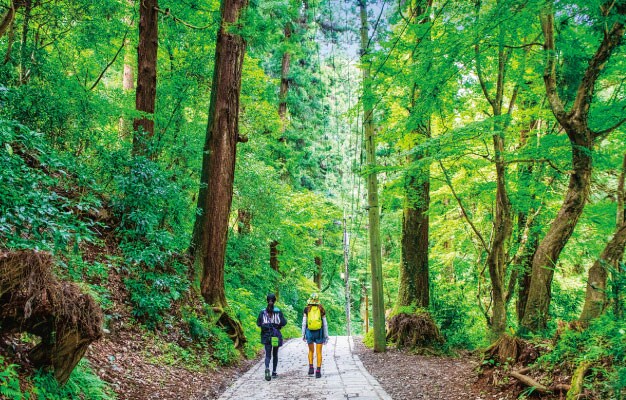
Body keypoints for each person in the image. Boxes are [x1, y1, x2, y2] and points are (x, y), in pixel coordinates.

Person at [257, 293, 287, 381]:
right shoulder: (278, 311)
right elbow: (284, 322)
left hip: (266, 336)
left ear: (267, 300)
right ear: (275, 301)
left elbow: (259, 323)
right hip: (276, 335)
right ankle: (274, 372)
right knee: (275, 354)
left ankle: (267, 367)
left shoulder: (262, 312)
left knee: (268, 355)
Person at [301, 292, 328, 378]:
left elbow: (304, 323)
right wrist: (326, 335)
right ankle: (318, 371)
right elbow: (325, 324)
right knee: (319, 352)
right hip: (319, 332)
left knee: (311, 351)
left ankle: (311, 367)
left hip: (309, 332)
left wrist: (303, 334)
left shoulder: (306, 309)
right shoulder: (321, 309)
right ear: (317, 300)